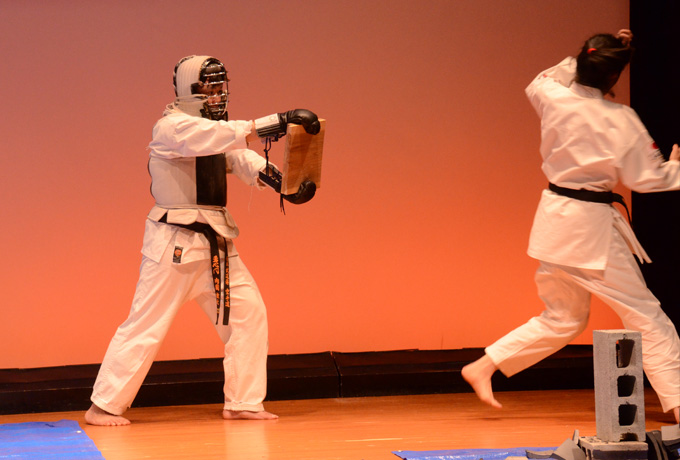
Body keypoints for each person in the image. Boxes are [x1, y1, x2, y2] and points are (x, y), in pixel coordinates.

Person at [85, 55, 320, 426]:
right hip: (174, 246)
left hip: (216, 243)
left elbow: (239, 157)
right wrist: (276, 122)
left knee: (248, 314)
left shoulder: (217, 130)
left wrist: (281, 181)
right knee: (146, 325)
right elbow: (216, 138)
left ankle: (243, 401)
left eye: (220, 88)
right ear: (188, 90)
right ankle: (103, 406)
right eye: (209, 88)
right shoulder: (172, 127)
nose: (216, 95)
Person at [462, 30, 680, 423]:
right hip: (590, 233)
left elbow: (542, 80)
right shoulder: (620, 118)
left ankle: (485, 364)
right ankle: (679, 404)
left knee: (564, 318)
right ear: (614, 76)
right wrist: (674, 169)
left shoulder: (554, 96)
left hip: (555, 222)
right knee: (647, 317)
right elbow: (647, 179)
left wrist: (588, 55)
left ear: (581, 63)